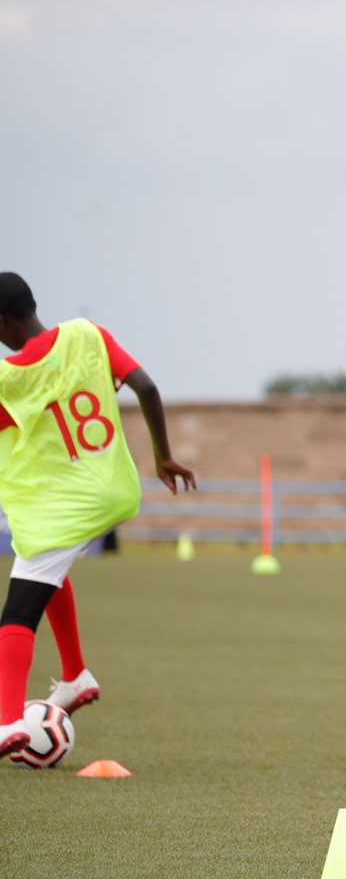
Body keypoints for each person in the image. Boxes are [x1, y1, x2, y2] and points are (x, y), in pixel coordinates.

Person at [0, 273, 196, 754]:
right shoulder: (87, 334)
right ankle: (74, 676)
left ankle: (7, 723)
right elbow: (146, 387)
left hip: (68, 505)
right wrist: (163, 456)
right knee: (44, 566)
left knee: (16, 616)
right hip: (114, 489)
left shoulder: (11, 377)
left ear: (2, 322)